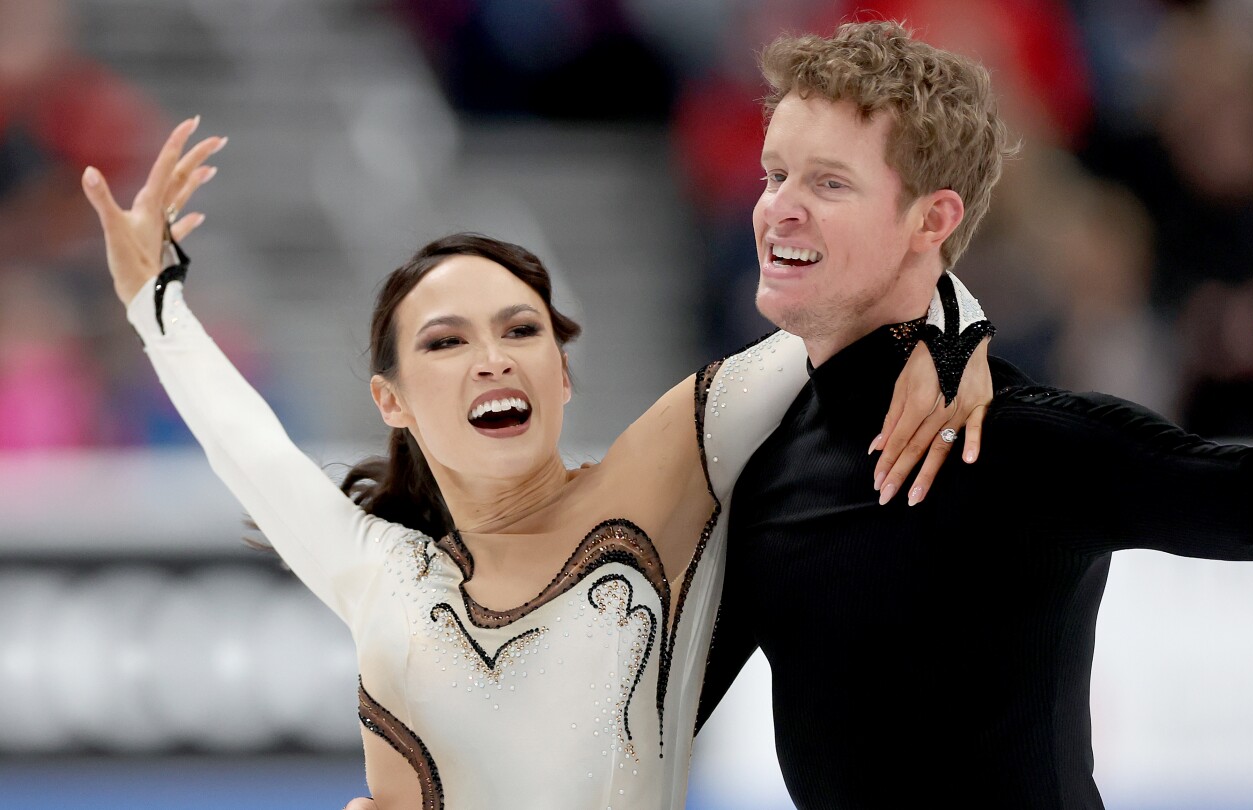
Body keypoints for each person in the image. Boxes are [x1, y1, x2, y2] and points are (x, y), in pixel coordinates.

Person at [80, 116, 994, 807]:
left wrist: (958, 340)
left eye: (521, 330)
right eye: (445, 342)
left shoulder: (663, 469)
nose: (493, 358)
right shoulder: (380, 571)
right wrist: (150, 301)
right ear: (390, 402)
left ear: (561, 374)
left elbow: (866, 297)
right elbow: (248, 446)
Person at [686, 21, 1253, 809]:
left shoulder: (1021, 445)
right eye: (774, 175)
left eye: (828, 183)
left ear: (931, 221)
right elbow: (640, 704)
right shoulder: (753, 458)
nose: (777, 210)